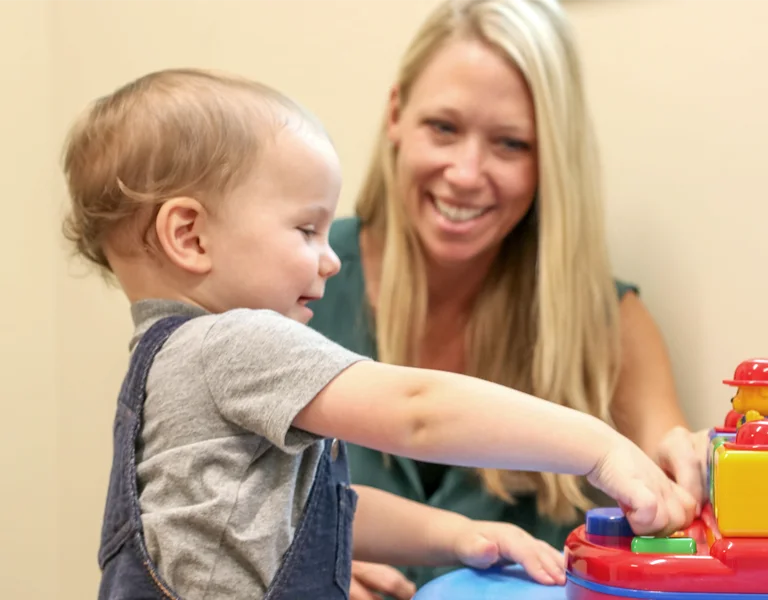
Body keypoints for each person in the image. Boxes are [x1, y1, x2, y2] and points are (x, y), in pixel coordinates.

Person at [60, 68, 696, 600]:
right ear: (190, 236)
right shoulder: (234, 344)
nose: (329, 257)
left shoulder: (163, 365)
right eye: (305, 230)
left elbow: (314, 505)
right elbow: (418, 412)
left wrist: (453, 535)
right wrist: (599, 447)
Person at [306, 0, 711, 595]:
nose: (467, 174)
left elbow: (673, 497)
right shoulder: (291, 290)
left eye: (510, 144)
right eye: (443, 128)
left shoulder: (607, 323)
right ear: (396, 115)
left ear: (551, 157)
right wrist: (304, 566)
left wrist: (698, 470)